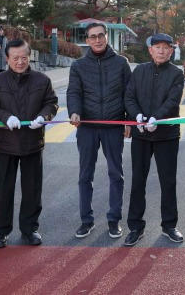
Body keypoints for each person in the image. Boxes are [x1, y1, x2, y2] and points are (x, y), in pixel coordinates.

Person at [0, 39, 58, 248]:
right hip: (5, 144)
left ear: (29, 56)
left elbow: (51, 102)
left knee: (32, 190)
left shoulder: (42, 80)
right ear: (7, 59)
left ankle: (30, 229)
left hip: (33, 142)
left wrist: (44, 116)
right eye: (15, 58)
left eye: (24, 57)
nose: (20, 61)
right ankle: (1, 232)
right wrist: (6, 117)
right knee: (4, 190)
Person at [67, 22, 131, 240]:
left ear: (106, 37)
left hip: (113, 127)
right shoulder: (78, 66)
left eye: (100, 35)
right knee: (85, 175)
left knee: (116, 174)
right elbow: (74, 92)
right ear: (87, 40)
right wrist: (74, 112)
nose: (97, 40)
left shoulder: (121, 63)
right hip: (87, 128)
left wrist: (129, 121)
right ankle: (86, 220)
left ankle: (114, 219)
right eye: (92, 37)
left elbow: (129, 95)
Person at [123, 33, 185, 246]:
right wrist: (137, 116)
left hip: (166, 135)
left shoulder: (177, 74)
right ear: (149, 50)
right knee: (138, 181)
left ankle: (169, 225)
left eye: (165, 47)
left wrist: (156, 118)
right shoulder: (139, 71)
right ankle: (135, 226)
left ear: (171, 51)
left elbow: (172, 101)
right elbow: (129, 96)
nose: (161, 51)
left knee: (167, 181)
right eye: (157, 46)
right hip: (141, 135)